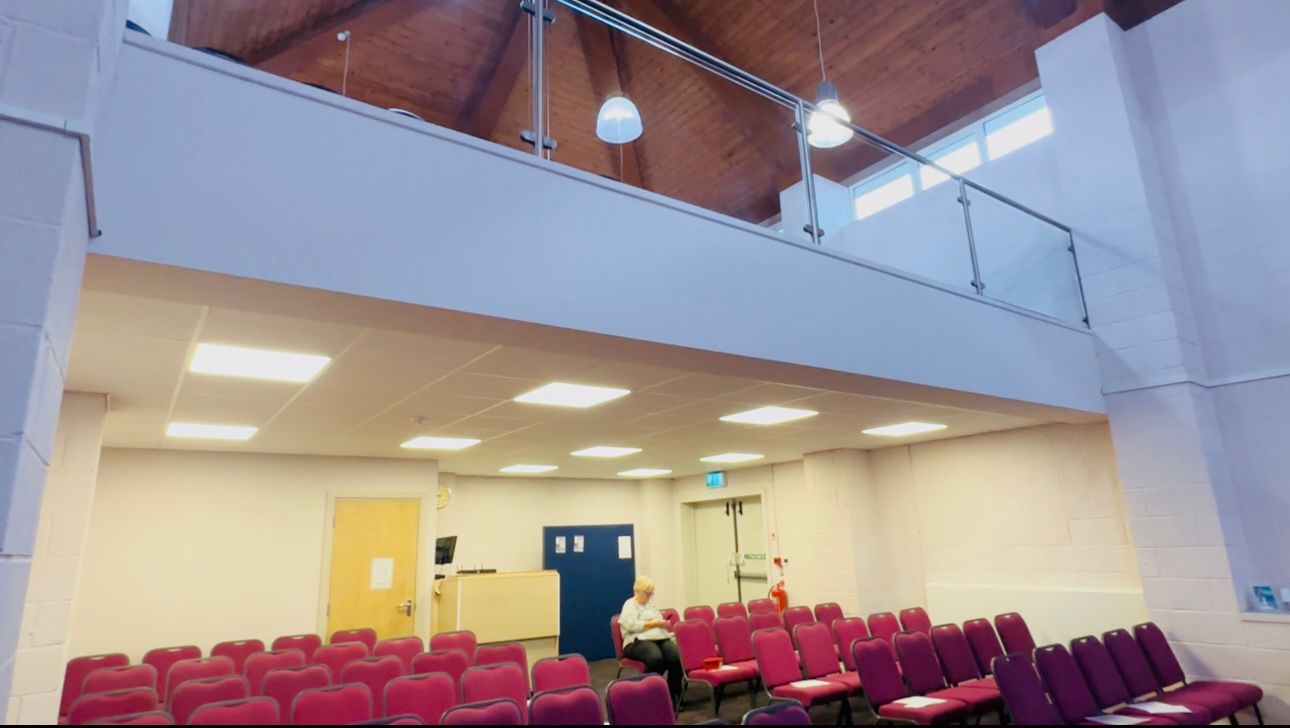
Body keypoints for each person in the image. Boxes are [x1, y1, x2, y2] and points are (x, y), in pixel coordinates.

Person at [619, 575, 683, 705]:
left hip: (658, 637)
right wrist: (653, 624)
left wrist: (662, 624)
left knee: (677, 657)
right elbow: (631, 626)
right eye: (647, 593)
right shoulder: (629, 604)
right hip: (636, 641)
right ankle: (646, 693)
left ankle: (672, 695)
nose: (649, 597)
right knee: (655, 658)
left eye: (651, 594)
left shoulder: (651, 606)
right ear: (638, 591)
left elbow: (659, 622)